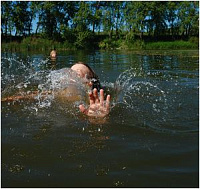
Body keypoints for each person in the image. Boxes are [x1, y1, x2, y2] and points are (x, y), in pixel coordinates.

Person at [1, 62, 111, 118]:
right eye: (69, 72)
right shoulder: (56, 93)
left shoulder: (98, 103)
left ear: (89, 84)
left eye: (76, 74)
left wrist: (97, 118)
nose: (68, 76)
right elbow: (25, 96)